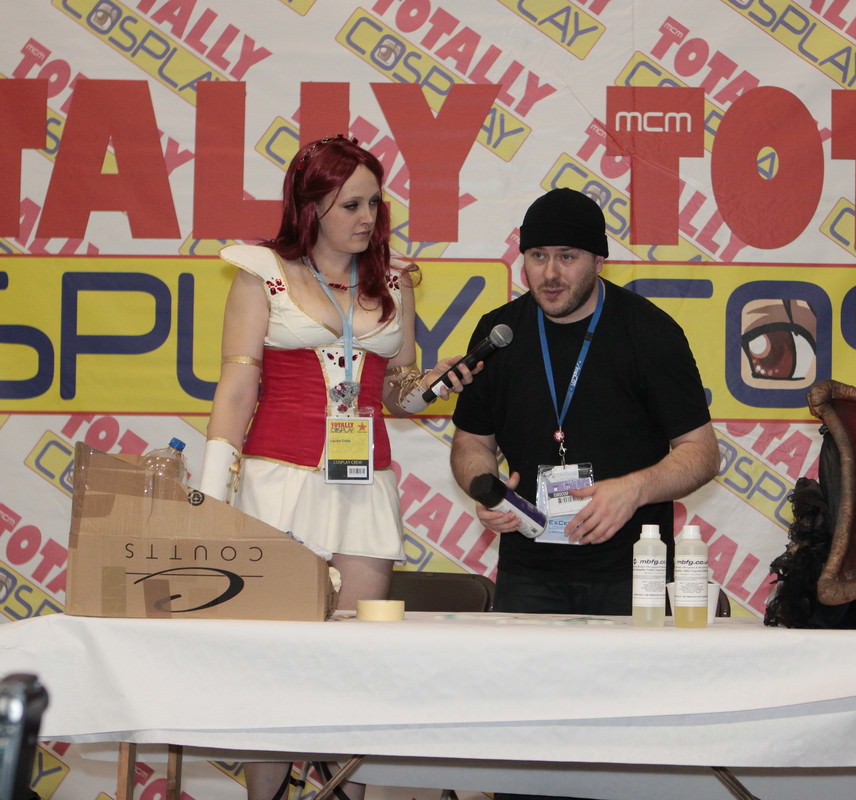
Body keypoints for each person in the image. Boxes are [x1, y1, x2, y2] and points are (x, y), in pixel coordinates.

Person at [199, 135, 476, 800]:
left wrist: (435, 384)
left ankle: (340, 788)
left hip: (363, 486)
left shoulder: (394, 282)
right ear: (311, 207)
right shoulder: (261, 272)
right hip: (277, 482)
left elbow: (398, 393)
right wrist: (208, 498)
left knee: (355, 664)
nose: (367, 218)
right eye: (351, 205)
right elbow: (236, 391)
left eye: (375, 204)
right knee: (275, 666)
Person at [450, 187, 720, 618]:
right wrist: (487, 490)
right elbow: (472, 442)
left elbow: (702, 453)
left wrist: (634, 489)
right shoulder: (499, 333)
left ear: (598, 260)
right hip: (528, 571)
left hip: (635, 571)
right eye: (537, 256)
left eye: (567, 256)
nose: (550, 273)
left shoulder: (650, 332)